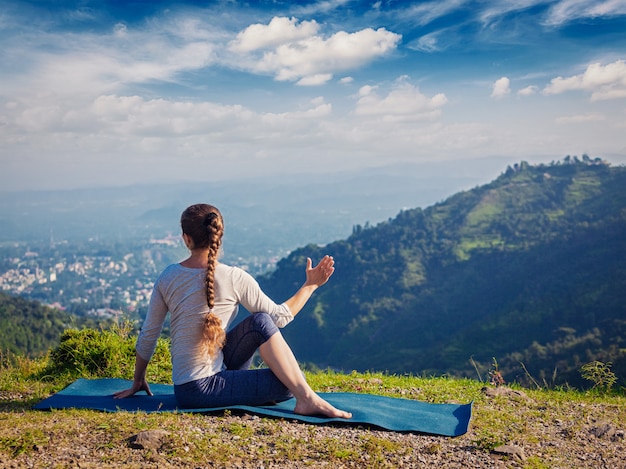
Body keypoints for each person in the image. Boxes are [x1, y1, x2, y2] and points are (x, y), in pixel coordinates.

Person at [114, 203, 351, 419]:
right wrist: (310, 286)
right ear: (219, 235)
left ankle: (303, 396)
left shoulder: (168, 276)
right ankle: (307, 399)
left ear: (186, 239)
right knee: (287, 384)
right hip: (200, 390)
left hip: (188, 386)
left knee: (260, 322)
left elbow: (149, 335)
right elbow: (281, 317)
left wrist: (138, 380)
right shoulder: (235, 277)